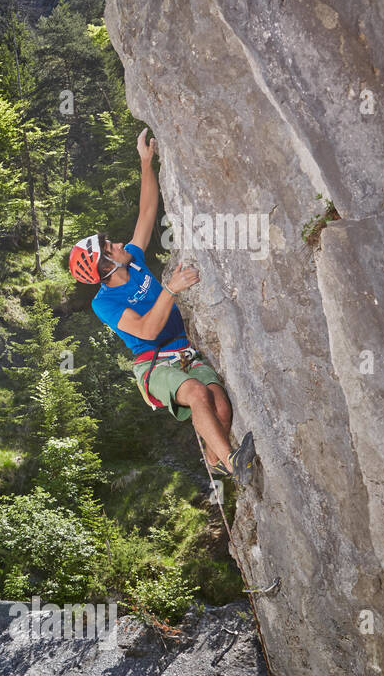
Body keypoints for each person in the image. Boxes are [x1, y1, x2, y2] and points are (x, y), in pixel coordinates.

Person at [69, 128, 256, 484]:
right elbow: (146, 331)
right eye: (109, 249)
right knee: (197, 393)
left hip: (184, 351)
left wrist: (145, 161)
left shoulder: (134, 259)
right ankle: (235, 465)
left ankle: (217, 462)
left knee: (219, 403)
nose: (118, 244)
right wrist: (169, 289)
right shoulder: (104, 303)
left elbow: (147, 209)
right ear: (105, 270)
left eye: (110, 242)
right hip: (152, 366)